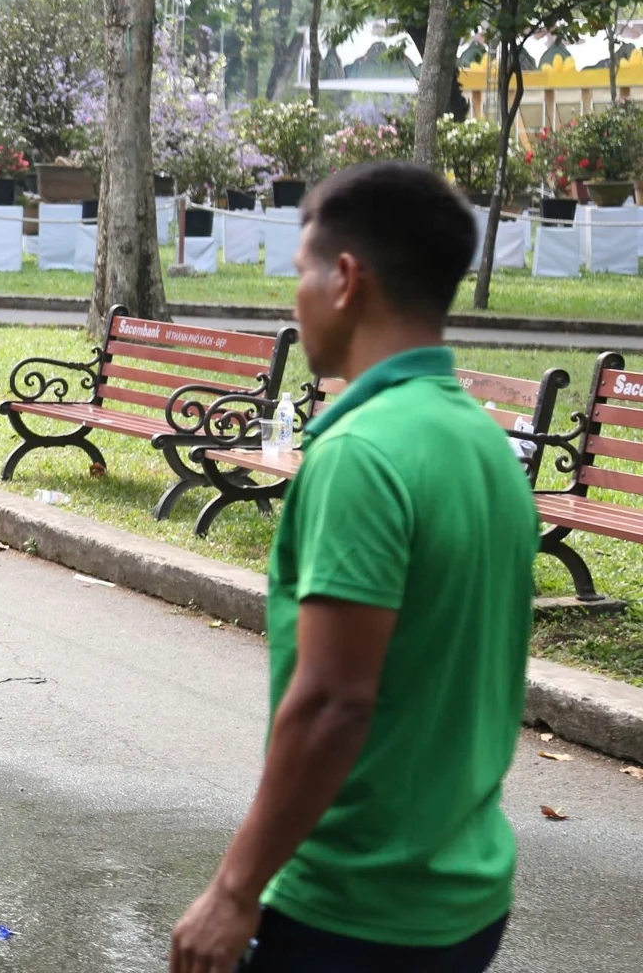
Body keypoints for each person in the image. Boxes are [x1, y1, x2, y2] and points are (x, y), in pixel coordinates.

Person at [170, 162, 534, 973]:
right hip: (464, 896)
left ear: (345, 279)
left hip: (351, 910)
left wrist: (234, 892)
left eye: (300, 271)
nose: (292, 297)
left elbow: (335, 700)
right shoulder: (484, 444)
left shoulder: (360, 455)